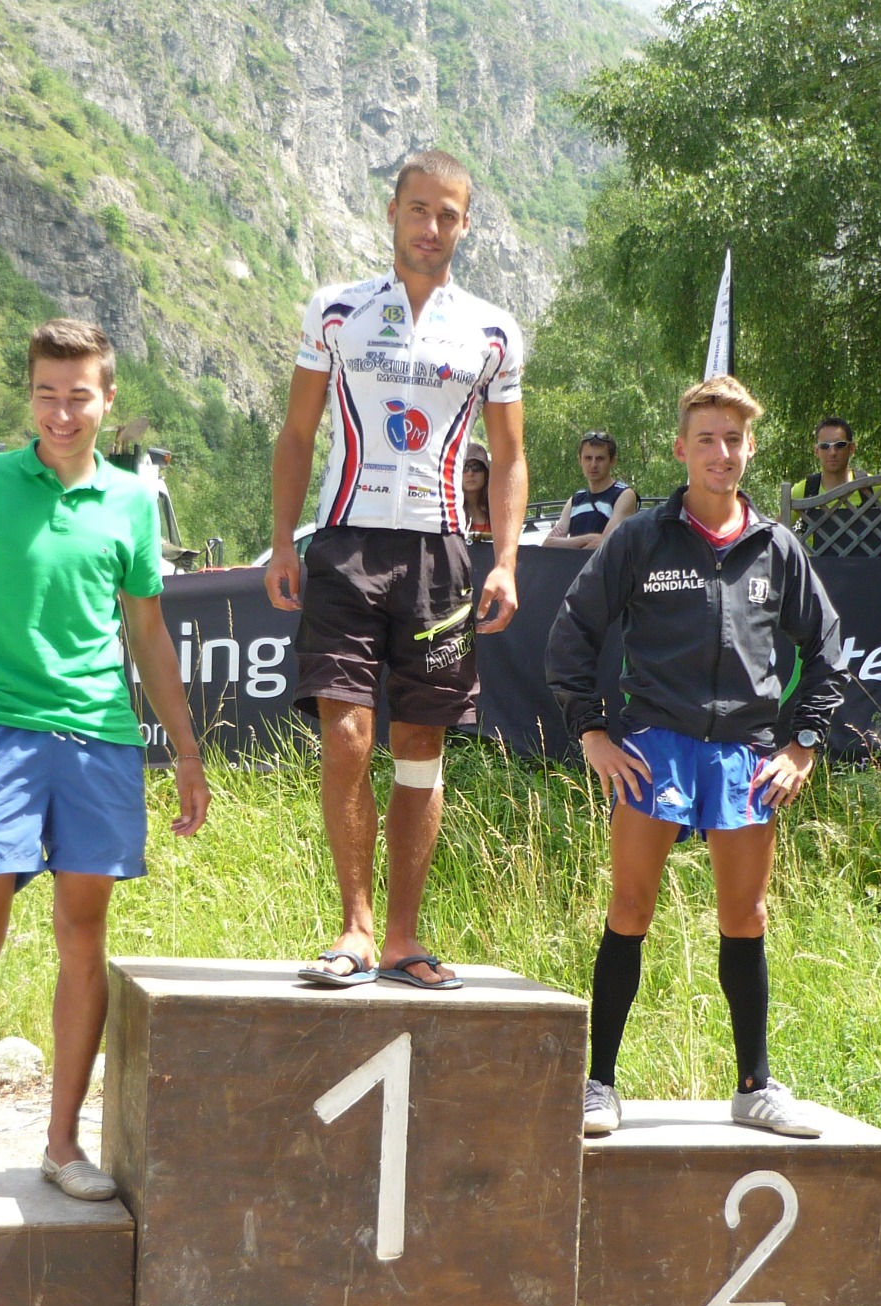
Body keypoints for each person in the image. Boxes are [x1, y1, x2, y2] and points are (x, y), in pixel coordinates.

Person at [0, 319, 210, 1204]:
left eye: (79, 396)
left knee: (83, 938)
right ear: (29, 395)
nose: (61, 412)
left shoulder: (132, 501)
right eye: (46, 393)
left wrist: (186, 751)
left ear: (108, 401)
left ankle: (63, 1144)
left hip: (99, 740)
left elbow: (148, 632)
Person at [546, 375, 845, 1138]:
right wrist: (593, 733)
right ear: (681, 449)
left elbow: (828, 648)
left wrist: (803, 744)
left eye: (734, 440)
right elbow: (572, 632)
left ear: (751, 449)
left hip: (747, 753)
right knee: (629, 909)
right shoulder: (641, 538)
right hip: (656, 746)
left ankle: (754, 1088)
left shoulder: (776, 547)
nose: (721, 453)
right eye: (706, 440)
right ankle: (599, 1085)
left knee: (746, 917)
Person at [267, 149, 527, 990]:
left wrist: (505, 559)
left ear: (465, 224)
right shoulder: (336, 310)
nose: (431, 227)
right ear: (392, 212)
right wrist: (282, 541)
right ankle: (354, 926)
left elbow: (511, 455)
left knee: (420, 744)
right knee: (347, 737)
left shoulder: (491, 329)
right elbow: (297, 433)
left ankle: (402, 940)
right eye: (419, 209)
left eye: (448, 214)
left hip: (441, 553)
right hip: (346, 540)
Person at [542, 431, 636, 549]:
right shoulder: (575, 501)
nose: (593, 464)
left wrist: (569, 546)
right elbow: (548, 544)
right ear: (580, 460)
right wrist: (588, 539)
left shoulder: (623, 495)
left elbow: (605, 544)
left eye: (600, 459)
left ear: (612, 461)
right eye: (588, 458)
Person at [792, 417, 871, 502]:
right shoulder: (801, 492)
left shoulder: (873, 486)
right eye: (824, 446)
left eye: (840, 445)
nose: (832, 453)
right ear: (816, 450)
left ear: (851, 448)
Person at [462, 440, 493, 541]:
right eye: (464, 468)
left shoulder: (496, 512)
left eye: (476, 467)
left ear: (486, 474)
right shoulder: (449, 513)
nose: (470, 473)